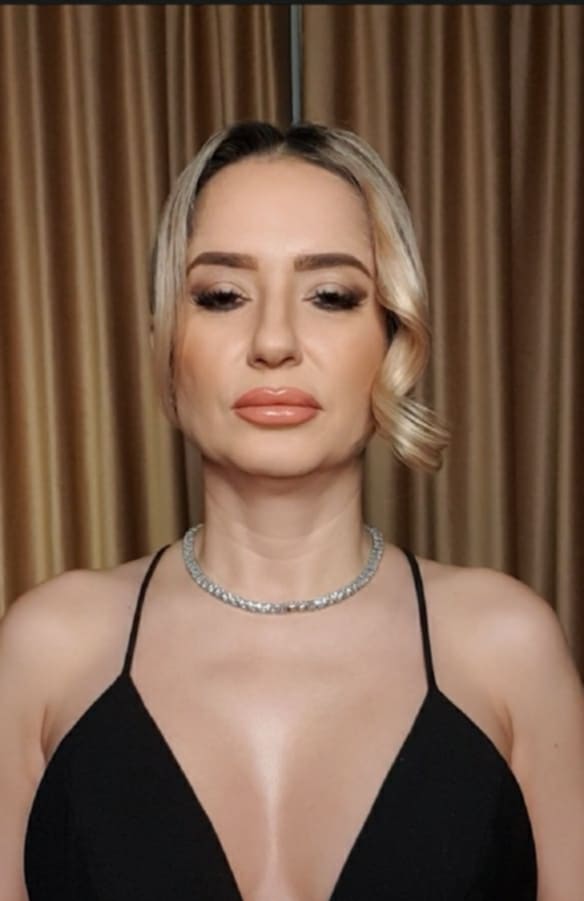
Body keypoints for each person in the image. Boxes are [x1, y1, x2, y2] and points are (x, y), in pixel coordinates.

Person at [1, 120, 583, 901]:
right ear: (166, 341)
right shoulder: (50, 653)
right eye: (222, 295)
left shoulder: (507, 651)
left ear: (394, 336)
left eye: (331, 296)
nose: (273, 341)